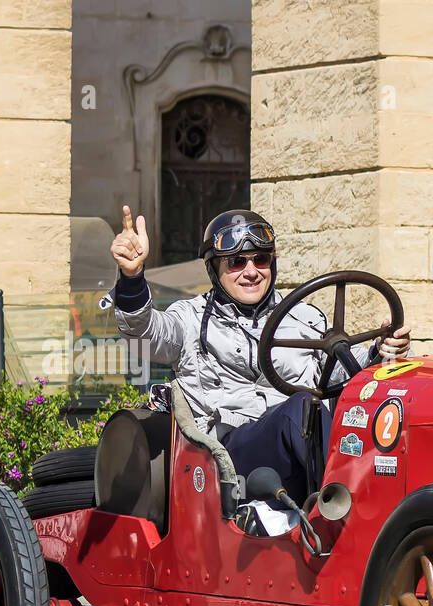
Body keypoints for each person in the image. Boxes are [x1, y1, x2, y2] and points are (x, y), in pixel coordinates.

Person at [110, 206, 411, 505]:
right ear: (215, 269)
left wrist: (380, 351)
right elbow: (144, 334)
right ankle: (359, 508)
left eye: (261, 259)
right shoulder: (190, 319)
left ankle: (402, 501)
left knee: (382, 409)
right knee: (303, 409)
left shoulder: (303, 317)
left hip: (303, 449)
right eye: (236, 262)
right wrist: (132, 277)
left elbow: (342, 371)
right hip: (227, 457)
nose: (251, 272)